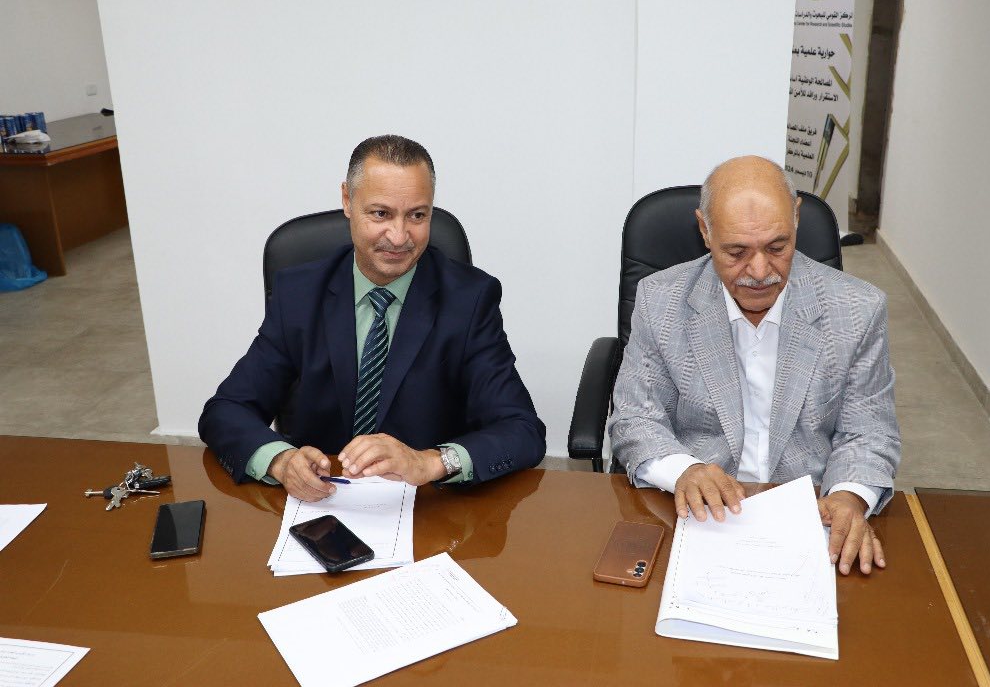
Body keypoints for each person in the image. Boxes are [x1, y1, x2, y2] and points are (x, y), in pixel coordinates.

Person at [200, 135, 546, 501]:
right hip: (319, 501)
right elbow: (226, 410)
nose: (399, 237)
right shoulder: (299, 294)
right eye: (381, 214)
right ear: (347, 201)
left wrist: (431, 462)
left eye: (417, 215)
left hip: (428, 507)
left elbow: (522, 430)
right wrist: (280, 461)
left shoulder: (469, 300)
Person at [610, 156, 900, 576]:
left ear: (796, 218)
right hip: (696, 516)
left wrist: (849, 497)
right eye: (737, 252)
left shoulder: (857, 309)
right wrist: (684, 470)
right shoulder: (661, 301)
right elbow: (635, 418)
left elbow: (869, 431)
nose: (760, 272)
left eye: (777, 248)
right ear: (705, 230)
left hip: (810, 514)